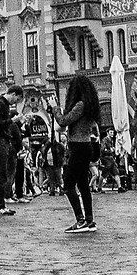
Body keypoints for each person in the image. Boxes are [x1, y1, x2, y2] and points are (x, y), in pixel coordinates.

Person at [58, 71, 101, 233]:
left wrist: (56, 108)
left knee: (68, 185)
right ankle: (89, 220)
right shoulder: (89, 105)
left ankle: (81, 220)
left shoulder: (80, 105)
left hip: (78, 146)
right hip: (86, 146)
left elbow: (63, 121)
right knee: (83, 184)